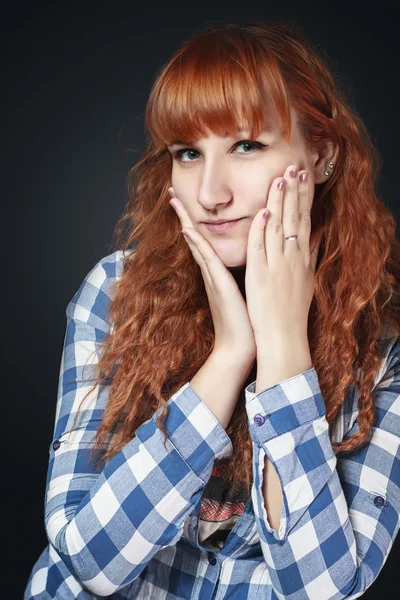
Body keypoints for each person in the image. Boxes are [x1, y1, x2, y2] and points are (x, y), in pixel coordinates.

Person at [24, 19, 400, 600]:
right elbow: (88, 562)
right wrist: (229, 357)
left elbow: (320, 590)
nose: (210, 194)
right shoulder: (117, 292)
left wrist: (283, 348)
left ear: (321, 155)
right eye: (188, 153)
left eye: (247, 145)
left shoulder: (383, 338)